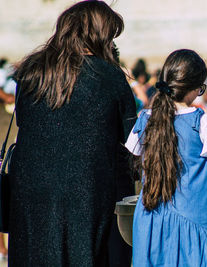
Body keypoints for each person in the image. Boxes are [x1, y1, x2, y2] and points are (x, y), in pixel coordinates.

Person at [10, 1, 137, 266]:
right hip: (87, 185)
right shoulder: (108, 75)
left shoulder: (32, 70)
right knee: (85, 254)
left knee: (34, 253)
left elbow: (23, 119)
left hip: (31, 184)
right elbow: (131, 135)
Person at [125, 49, 207, 266]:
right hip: (196, 217)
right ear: (195, 88)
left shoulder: (145, 119)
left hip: (150, 217)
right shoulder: (202, 121)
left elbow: (133, 162)